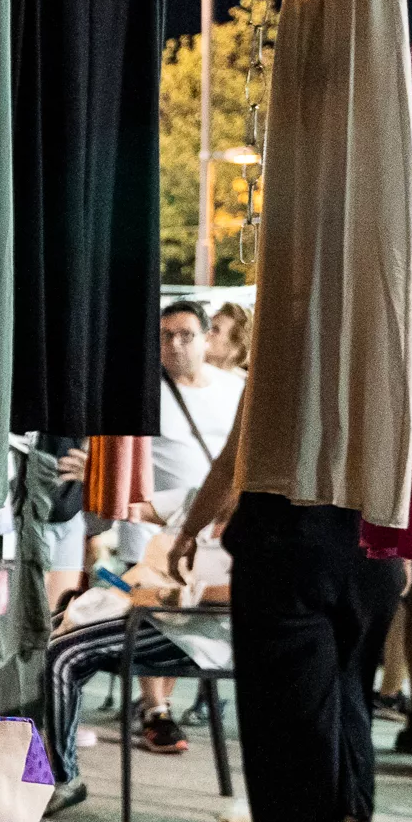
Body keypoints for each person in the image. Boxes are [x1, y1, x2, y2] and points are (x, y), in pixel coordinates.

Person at [175, 384, 405, 822]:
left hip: (288, 548)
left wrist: (189, 529)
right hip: (373, 549)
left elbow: (235, 457)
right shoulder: (385, 354)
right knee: (350, 692)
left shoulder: (286, 359)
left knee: (292, 703)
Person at [128, 300, 246, 755]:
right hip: (156, 521)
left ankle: (164, 703)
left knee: (183, 614)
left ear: (205, 339)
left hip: (212, 524)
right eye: (165, 336)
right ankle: (156, 709)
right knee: (152, 607)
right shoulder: (144, 391)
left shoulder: (235, 388)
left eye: (185, 335)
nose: (174, 345)